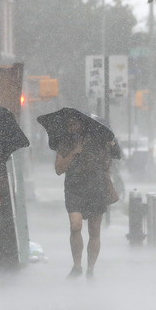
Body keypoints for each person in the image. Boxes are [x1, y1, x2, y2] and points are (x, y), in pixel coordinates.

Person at [54, 117, 117, 279]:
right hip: (74, 189)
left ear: (82, 125)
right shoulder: (65, 143)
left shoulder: (98, 140)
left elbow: (110, 161)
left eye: (74, 123)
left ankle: (90, 269)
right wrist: (74, 151)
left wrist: (109, 147)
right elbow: (59, 169)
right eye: (69, 124)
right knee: (75, 226)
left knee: (94, 230)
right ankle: (77, 265)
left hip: (96, 188)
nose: (72, 127)